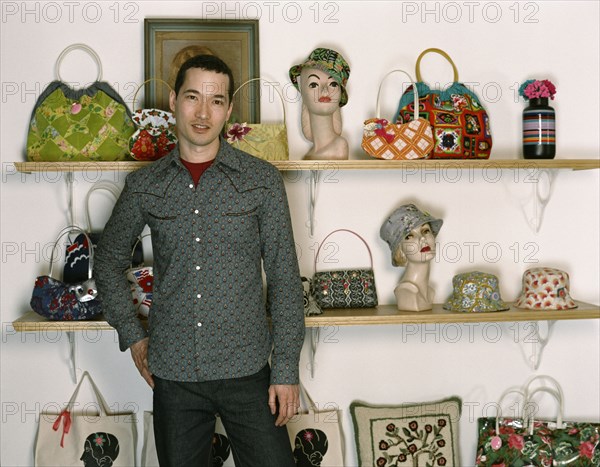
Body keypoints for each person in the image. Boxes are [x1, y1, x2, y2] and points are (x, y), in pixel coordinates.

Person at [95, 54, 305, 467]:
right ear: (173, 101)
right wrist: (133, 337)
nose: (203, 112)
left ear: (228, 109)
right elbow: (107, 261)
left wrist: (285, 368)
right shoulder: (145, 185)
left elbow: (283, 277)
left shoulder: (261, 181)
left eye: (216, 100)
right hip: (173, 376)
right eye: (193, 97)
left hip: (247, 370)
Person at [289, 48, 350, 160]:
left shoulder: (340, 146)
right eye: (313, 85)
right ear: (303, 93)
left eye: (332, 84)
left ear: (340, 94)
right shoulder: (310, 154)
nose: (325, 91)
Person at [380, 204, 443, 311]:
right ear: (401, 251)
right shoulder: (405, 291)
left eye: (426, 231)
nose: (422, 239)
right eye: (409, 236)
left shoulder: (431, 291)